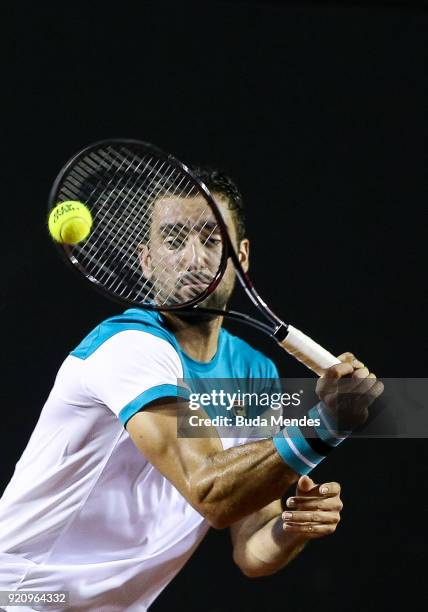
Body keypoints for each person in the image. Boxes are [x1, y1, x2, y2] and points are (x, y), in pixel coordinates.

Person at [0, 168, 382, 611]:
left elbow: (252, 551)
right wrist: (325, 425)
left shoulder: (254, 373)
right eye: (175, 240)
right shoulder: (129, 349)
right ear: (146, 260)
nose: (195, 259)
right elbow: (212, 494)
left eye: (211, 239)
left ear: (241, 255)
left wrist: (292, 528)